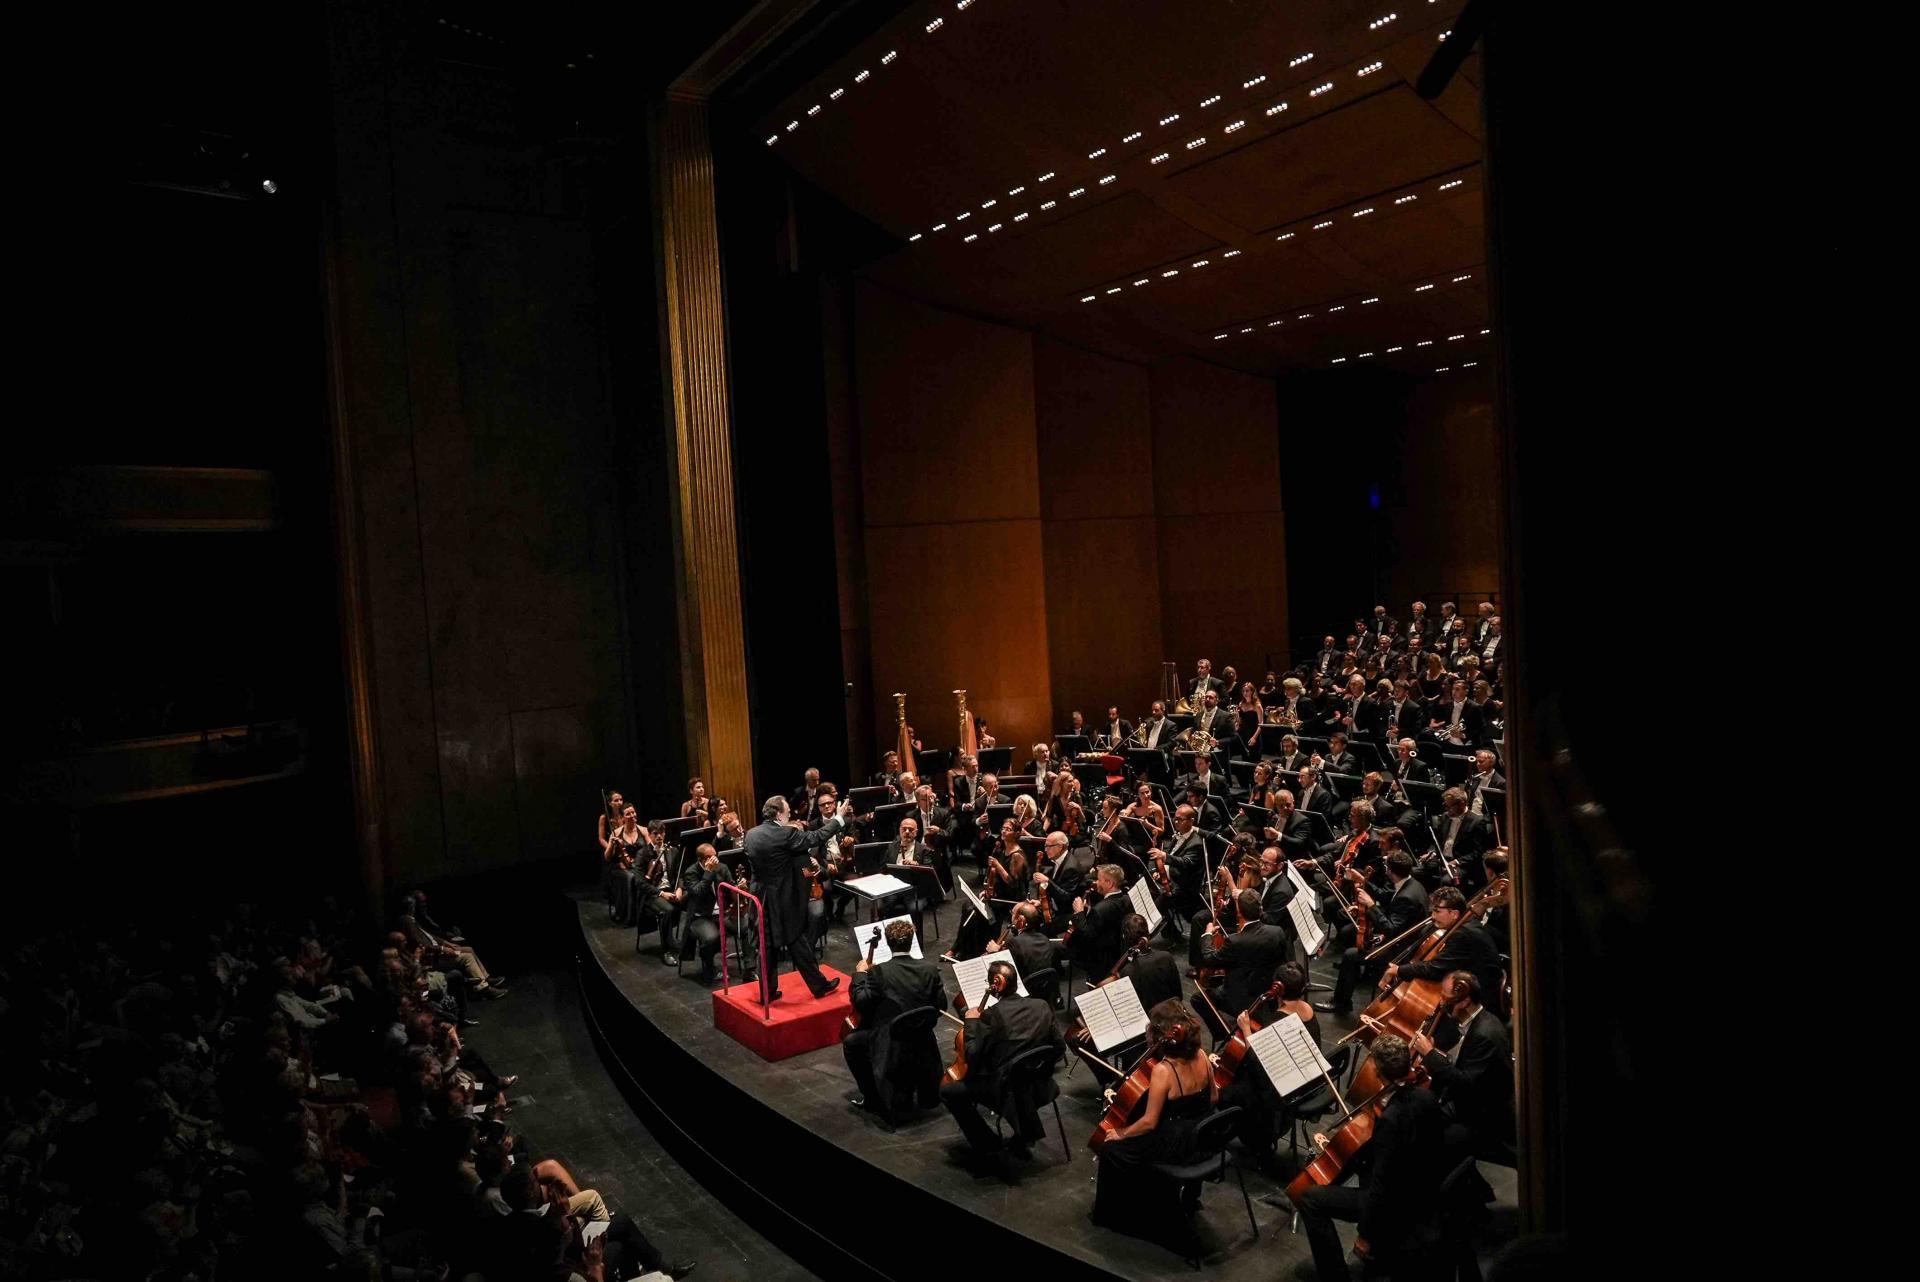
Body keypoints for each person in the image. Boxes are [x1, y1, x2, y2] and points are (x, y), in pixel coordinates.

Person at [1295, 1034, 1449, 1282]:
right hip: (1424, 1192)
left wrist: (1365, 1234)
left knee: (1311, 1199)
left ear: (1379, 1073)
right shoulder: (1427, 1097)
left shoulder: (1391, 1117)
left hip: (1396, 1204)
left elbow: (1381, 1184)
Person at [1088, 998, 1219, 1244]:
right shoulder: (1202, 1055)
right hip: (1201, 1138)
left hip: (1174, 1145)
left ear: (1162, 1036)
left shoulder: (1163, 1070)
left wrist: (1121, 1132)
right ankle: (1175, 1196)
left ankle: (1122, 1217)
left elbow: (1149, 1122)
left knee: (1111, 1150)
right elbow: (1213, 1097)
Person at [941, 960, 1065, 1157]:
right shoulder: (1041, 1006)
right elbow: (1059, 1049)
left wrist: (972, 1022)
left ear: (997, 983)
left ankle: (987, 1143)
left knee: (948, 1091)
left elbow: (972, 1056)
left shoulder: (993, 1016)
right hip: (1041, 1085)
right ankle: (1021, 1135)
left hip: (1006, 1091)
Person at [744, 794, 851, 1001]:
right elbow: (816, 837)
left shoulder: (751, 834)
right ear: (778, 813)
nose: (790, 814)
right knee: (794, 938)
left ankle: (768, 992)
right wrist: (838, 818)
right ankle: (819, 986)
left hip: (759, 897)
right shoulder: (785, 834)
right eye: (787, 811)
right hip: (781, 899)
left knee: (768, 945)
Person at [843, 920, 946, 1120]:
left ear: (889, 944)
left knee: (851, 1043)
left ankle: (872, 1097)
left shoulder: (879, 972)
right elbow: (940, 1007)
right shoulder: (930, 969)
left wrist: (860, 974)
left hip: (891, 1041)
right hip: (922, 1037)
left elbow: (862, 1002)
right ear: (911, 942)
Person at [1408, 970, 1515, 1161]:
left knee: (1417, 1128)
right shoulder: (1477, 1021)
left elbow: (1465, 1083)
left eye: (1444, 996)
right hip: (1467, 1100)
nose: (1441, 1002)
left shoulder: (1484, 1034)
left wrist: (1429, 1054)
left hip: (1479, 1116)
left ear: (1464, 1001)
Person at [1318, 850, 1429, 1015]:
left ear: (1389, 870)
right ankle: (1357, 978)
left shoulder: (1407, 896)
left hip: (1401, 949)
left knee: (1351, 955)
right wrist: (1363, 881)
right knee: (1353, 936)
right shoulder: (1410, 883)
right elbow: (1386, 896)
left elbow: (1390, 929)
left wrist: (1371, 906)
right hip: (1403, 938)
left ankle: (1341, 1002)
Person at [1194, 888, 1288, 1041]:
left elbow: (1210, 959)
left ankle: (1225, 1036)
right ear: (1261, 909)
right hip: (1268, 993)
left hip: (1239, 998)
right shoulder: (1277, 932)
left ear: (1239, 912)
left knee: (1198, 999)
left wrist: (1207, 935)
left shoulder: (1235, 941)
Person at [1381, 885, 1503, 1001]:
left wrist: (1398, 970)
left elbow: (1435, 969)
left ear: (1454, 914)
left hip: (1480, 997)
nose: (1433, 916)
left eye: (1437, 911)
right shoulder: (1466, 924)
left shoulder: (1462, 934)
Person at [1069, 864, 1131, 979]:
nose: (1096, 882)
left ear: (1109, 883)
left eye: (1099, 880)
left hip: (1102, 963)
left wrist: (1079, 913)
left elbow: (1086, 936)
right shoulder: (1126, 899)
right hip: (1120, 955)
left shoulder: (1100, 910)